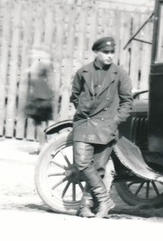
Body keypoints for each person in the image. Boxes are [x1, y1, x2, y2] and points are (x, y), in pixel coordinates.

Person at [70, 36, 133, 218]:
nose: (110, 56)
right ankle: (105, 200)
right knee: (82, 162)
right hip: (85, 123)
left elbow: (127, 101)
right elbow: (75, 95)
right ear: (96, 53)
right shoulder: (83, 72)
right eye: (105, 52)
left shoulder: (119, 74)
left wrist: (116, 120)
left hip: (106, 126)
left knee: (97, 168)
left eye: (112, 52)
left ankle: (85, 206)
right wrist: (83, 110)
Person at [24, 45, 54, 153]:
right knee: (42, 123)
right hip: (44, 96)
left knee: (38, 123)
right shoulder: (45, 63)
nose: (31, 55)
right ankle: (46, 145)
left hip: (40, 97)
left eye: (34, 53)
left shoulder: (39, 63)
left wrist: (28, 72)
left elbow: (33, 77)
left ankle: (43, 146)